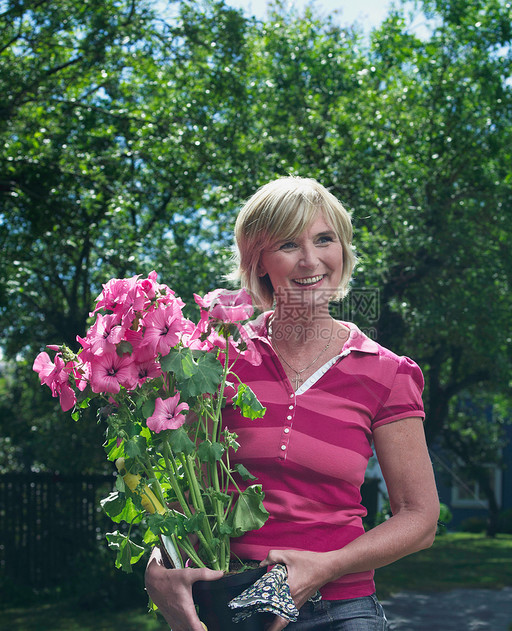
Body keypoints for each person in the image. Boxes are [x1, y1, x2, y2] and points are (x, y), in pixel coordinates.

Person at [145, 176, 440, 631]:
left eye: (325, 239)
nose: (311, 260)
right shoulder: (217, 357)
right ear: (258, 261)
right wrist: (158, 565)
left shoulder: (387, 372)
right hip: (233, 605)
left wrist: (326, 567)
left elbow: (420, 519)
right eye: (287, 244)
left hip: (341, 608)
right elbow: (189, 489)